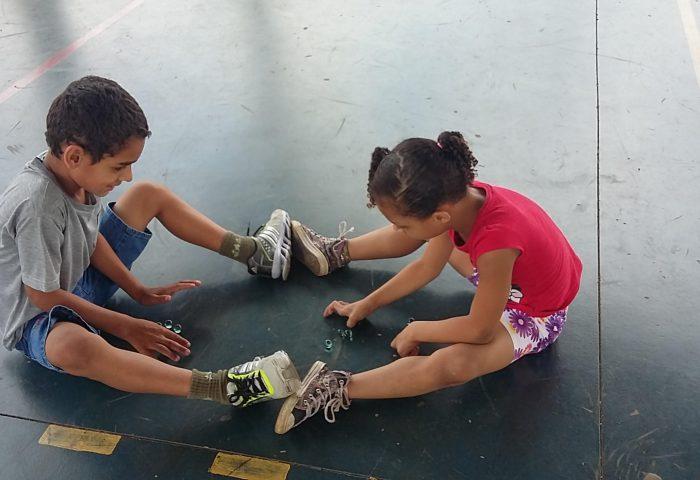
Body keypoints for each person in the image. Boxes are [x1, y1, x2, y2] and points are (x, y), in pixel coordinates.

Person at [0, 76, 300, 407]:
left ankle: (255, 253)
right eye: (119, 166)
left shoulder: (79, 175)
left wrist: (135, 289)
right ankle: (224, 387)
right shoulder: (37, 205)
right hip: (39, 318)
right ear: (74, 156)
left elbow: (88, 238)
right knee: (73, 348)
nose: (126, 176)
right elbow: (43, 295)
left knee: (147, 195)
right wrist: (126, 326)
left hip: (74, 284)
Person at [276, 131, 582, 433]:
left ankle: (338, 387)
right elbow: (427, 266)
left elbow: (480, 329)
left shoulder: (495, 244)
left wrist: (418, 329)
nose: (397, 229)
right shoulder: (456, 199)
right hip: (506, 275)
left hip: (536, 312)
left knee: (454, 366)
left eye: (400, 224)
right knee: (422, 239)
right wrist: (369, 303)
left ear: (439, 218)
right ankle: (334, 252)